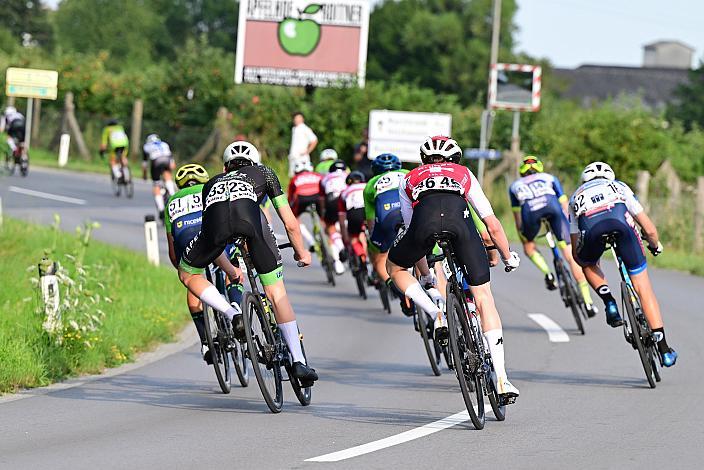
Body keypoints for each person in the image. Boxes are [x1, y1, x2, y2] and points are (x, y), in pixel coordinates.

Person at [386, 135, 521, 398]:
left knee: (395, 268)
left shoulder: (409, 178)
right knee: (483, 297)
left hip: (423, 227)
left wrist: (425, 275)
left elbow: (411, 226)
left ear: (425, 160)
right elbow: (491, 223)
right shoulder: (463, 173)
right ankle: (503, 378)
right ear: (455, 158)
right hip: (461, 228)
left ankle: (435, 313)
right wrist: (507, 256)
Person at [177, 141, 318, 385]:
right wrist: (301, 252)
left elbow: (212, 232)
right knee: (275, 293)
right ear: (255, 162)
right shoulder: (264, 173)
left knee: (187, 274)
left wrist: (227, 267)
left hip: (216, 229)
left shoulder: (211, 183)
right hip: (252, 224)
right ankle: (298, 363)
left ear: (225, 168)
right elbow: (291, 223)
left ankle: (232, 313)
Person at [569, 162, 677, 366]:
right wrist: (654, 245)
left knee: (586, 262)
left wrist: (584, 260)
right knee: (643, 287)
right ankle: (664, 350)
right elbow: (650, 230)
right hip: (620, 223)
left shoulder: (576, 196)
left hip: (590, 228)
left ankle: (609, 301)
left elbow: (575, 250)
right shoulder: (619, 186)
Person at [165, 163, 243, 363]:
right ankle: (236, 307)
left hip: (186, 240)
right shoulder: (212, 188)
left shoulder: (171, 201)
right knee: (232, 268)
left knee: (193, 282)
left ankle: (206, 342)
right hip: (214, 235)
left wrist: (182, 268)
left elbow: (173, 250)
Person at [509, 155, 597, 316]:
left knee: (529, 247)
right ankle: (588, 302)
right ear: (539, 168)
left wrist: (523, 236)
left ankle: (548, 273)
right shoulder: (550, 178)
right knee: (571, 256)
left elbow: (518, 219)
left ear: (522, 172)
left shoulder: (515, 186)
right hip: (553, 209)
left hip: (530, 212)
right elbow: (565, 205)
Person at [320, 159, 350, 275]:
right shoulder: (347, 174)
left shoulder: (326, 177)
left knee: (330, 227)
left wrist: (323, 213)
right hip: (345, 198)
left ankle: (338, 260)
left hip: (331, 199)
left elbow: (322, 199)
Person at [288, 160, 323, 250]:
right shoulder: (317, 175)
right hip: (317, 197)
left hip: (302, 198)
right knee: (326, 217)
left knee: (295, 219)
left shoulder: (295, 179)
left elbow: (290, 198)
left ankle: (311, 241)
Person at [143, 134, 177, 222]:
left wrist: (145, 175)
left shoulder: (147, 146)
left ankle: (161, 209)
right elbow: (172, 160)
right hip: (167, 159)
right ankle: (172, 193)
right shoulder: (164, 144)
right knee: (167, 175)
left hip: (156, 162)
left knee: (156, 185)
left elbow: (145, 165)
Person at [338, 171, 368, 264]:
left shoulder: (344, 192)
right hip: (369, 211)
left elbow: (342, 220)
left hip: (354, 213)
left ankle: (362, 255)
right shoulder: (368, 185)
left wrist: (346, 238)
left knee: (353, 237)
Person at [288, 112, 318, 177]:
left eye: (298, 118)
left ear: (302, 119)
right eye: (295, 118)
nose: (296, 120)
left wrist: (307, 151)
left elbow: (314, 140)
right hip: (294, 159)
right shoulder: (294, 129)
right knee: (293, 178)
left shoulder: (305, 128)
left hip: (302, 159)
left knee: (303, 177)